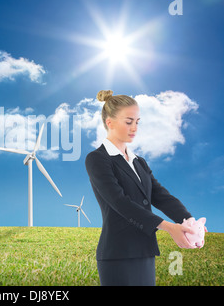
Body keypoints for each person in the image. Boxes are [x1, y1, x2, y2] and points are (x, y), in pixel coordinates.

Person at [85, 89, 198, 286]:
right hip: (118, 254)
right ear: (109, 122)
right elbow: (120, 202)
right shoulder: (97, 159)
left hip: (144, 250)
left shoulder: (139, 162)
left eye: (137, 122)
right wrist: (169, 227)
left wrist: (189, 221)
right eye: (128, 122)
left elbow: (160, 195)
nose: (134, 127)